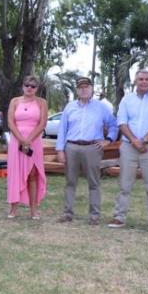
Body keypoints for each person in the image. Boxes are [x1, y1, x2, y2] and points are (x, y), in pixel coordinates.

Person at [108, 69, 148, 232]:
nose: (143, 82)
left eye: (147, 79)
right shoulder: (127, 100)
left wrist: (144, 140)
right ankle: (119, 217)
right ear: (135, 81)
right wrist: (134, 140)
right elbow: (121, 121)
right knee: (124, 184)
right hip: (128, 146)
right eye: (140, 79)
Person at [55, 76, 118, 225]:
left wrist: (108, 140)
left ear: (91, 90)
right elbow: (62, 130)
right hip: (72, 147)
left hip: (92, 148)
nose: (83, 90)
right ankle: (67, 213)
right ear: (77, 90)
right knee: (70, 181)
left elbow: (113, 124)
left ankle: (94, 216)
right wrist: (60, 150)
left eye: (86, 87)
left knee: (94, 182)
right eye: (80, 87)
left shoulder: (101, 107)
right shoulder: (70, 107)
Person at [5, 75, 48, 219]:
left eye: (33, 86)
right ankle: (13, 208)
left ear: (37, 89)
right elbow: (11, 122)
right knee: (15, 173)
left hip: (34, 142)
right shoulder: (14, 101)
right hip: (16, 141)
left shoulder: (42, 103)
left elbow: (42, 124)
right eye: (27, 85)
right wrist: (21, 140)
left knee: (33, 174)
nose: (29, 88)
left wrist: (28, 140)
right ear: (22, 86)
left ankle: (34, 210)